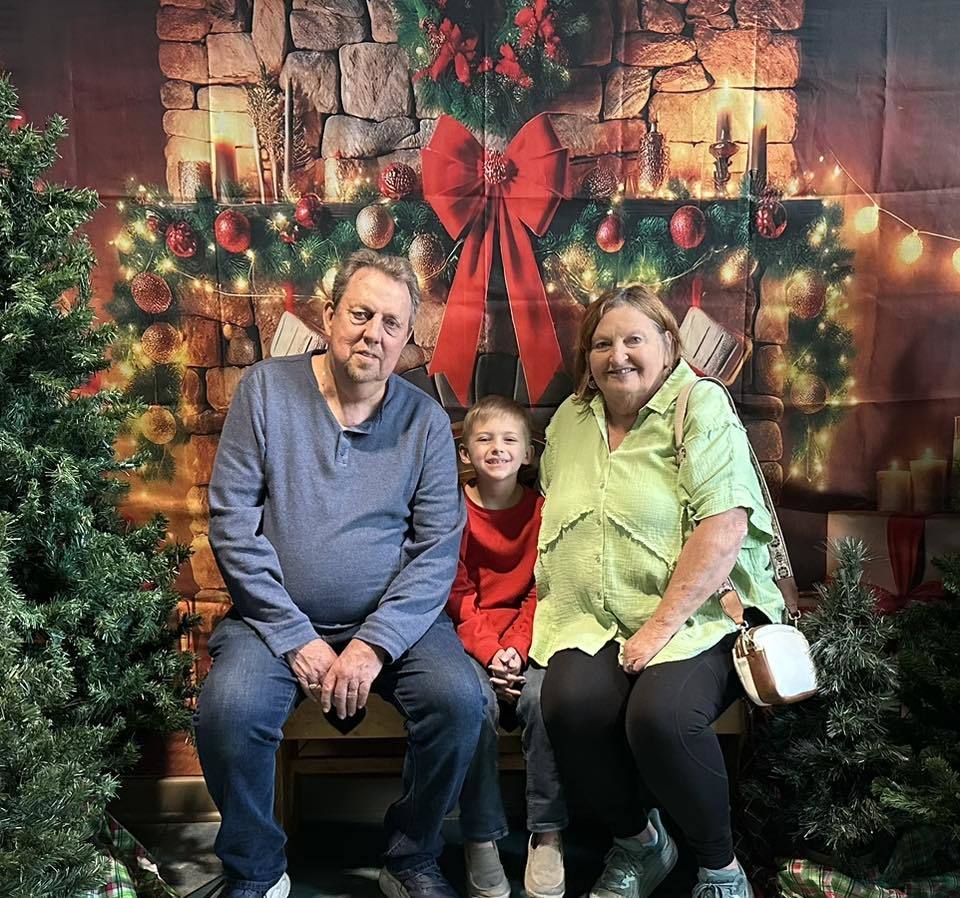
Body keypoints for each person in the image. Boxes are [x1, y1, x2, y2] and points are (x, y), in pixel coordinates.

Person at [195, 249, 483, 898]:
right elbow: (233, 526)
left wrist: (372, 644)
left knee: (460, 701)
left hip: (394, 623)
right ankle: (256, 868)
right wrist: (296, 638)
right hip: (273, 621)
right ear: (329, 315)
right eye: (361, 313)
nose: (373, 334)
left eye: (391, 323)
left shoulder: (427, 424)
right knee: (228, 708)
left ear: (407, 341)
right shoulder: (266, 392)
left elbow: (437, 550)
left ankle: (410, 856)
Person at [531, 285, 785, 898]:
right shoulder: (569, 420)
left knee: (662, 719)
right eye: (602, 343)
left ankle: (720, 867)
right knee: (567, 704)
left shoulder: (699, 406)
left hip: (696, 619)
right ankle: (640, 844)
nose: (617, 354)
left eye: (633, 339)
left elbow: (723, 529)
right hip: (594, 619)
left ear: (668, 346)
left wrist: (655, 631)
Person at [446, 396, 567, 898]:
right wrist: (489, 650)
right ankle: (481, 836)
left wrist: (516, 646)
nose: (497, 448)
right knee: (472, 704)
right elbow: (454, 592)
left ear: (528, 454)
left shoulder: (542, 512)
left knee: (544, 699)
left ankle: (548, 832)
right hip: (470, 639)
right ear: (466, 454)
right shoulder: (453, 511)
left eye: (509, 439)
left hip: (531, 636)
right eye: (485, 439)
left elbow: (544, 587)